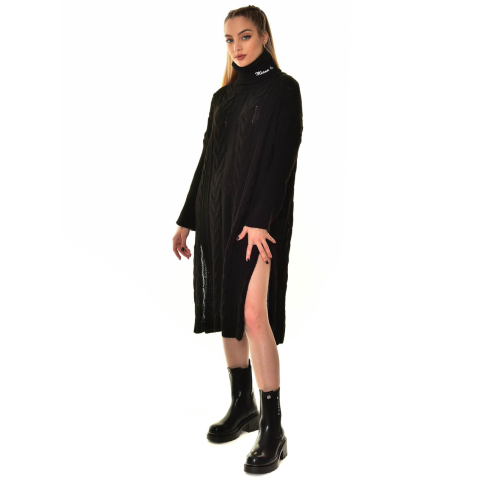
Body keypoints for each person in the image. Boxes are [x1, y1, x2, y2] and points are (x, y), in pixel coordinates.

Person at [172, 5, 303, 474]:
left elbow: (283, 157)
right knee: (229, 312)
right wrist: (187, 219)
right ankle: (242, 405)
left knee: (252, 314)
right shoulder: (222, 97)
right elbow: (208, 160)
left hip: (257, 221)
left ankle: (273, 428)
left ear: (264, 35)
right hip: (216, 215)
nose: (237, 47)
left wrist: (261, 219)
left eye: (245, 36)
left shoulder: (284, 89)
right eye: (229, 40)